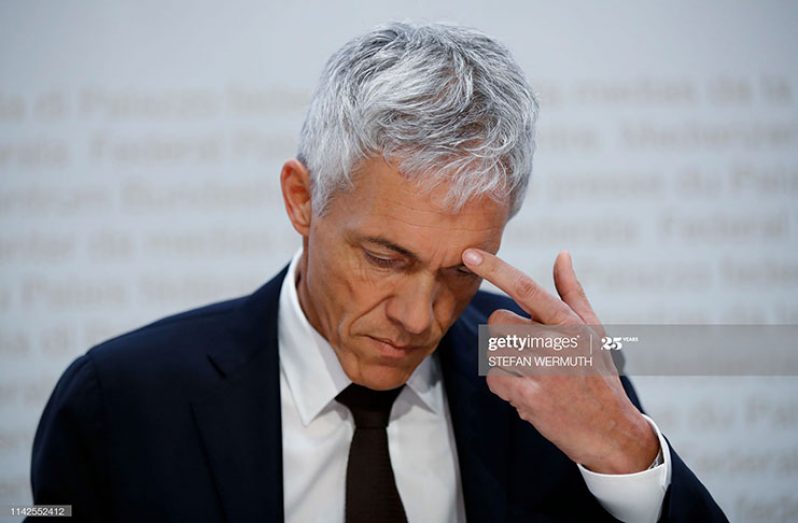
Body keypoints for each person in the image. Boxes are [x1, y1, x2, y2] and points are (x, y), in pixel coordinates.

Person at [28, 22, 727, 522]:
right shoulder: (118, 403)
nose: (419, 317)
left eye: (461, 271)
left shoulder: (559, 383)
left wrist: (629, 454)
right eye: (386, 258)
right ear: (302, 200)